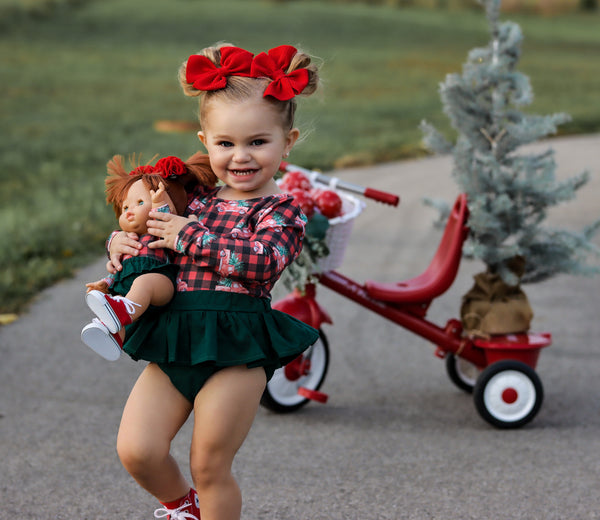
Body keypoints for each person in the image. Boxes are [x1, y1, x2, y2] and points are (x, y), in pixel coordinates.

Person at [101, 43, 321, 520]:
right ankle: (187, 508)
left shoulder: (280, 212)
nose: (240, 157)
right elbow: (148, 234)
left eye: (257, 142)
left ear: (288, 141)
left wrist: (190, 236)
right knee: (138, 450)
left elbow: (260, 263)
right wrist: (120, 245)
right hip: (174, 338)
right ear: (205, 140)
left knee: (209, 463)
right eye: (225, 144)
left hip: (236, 350)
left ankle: (209, 502)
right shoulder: (191, 198)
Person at [81, 154, 217, 361]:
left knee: (144, 283)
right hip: (130, 286)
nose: (129, 212)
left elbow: (165, 215)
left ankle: (120, 311)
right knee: (121, 290)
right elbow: (117, 265)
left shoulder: (162, 228)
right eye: (125, 207)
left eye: (140, 202)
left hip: (159, 281)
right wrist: (106, 280)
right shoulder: (126, 237)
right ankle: (113, 334)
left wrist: (159, 202)